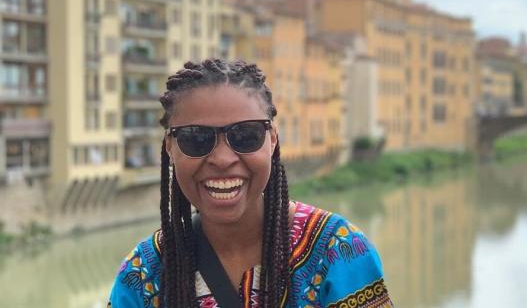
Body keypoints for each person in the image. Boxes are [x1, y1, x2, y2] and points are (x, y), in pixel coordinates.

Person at [108, 58, 393, 307]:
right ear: (170, 146)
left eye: (245, 135)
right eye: (196, 138)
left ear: (272, 139)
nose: (222, 159)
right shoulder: (145, 271)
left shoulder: (337, 252)